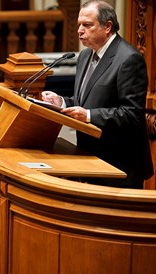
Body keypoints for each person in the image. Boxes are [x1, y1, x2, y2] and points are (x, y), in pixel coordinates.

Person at [41, 0, 153, 189]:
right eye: (79, 25)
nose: (80, 31)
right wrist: (61, 101)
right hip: (90, 159)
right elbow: (85, 101)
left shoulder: (129, 59)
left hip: (119, 166)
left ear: (107, 26)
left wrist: (89, 116)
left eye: (87, 25)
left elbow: (131, 114)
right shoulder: (85, 56)